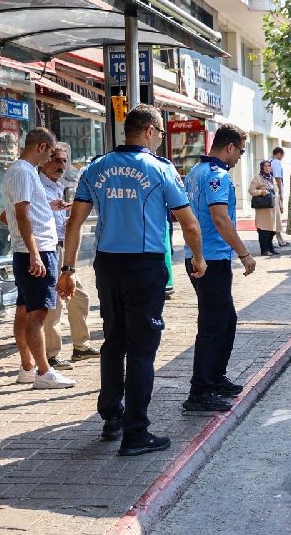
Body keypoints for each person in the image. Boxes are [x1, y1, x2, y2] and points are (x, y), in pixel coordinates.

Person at [58, 104, 206, 456]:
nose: (160, 139)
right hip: (144, 266)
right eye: (160, 134)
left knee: (114, 340)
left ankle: (112, 417)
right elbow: (189, 223)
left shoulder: (96, 168)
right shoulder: (160, 169)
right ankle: (136, 432)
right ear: (151, 131)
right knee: (141, 349)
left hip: (108, 266)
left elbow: (74, 222)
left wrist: (67, 269)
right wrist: (198, 259)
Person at [182, 124, 258, 413]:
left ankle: (215, 377)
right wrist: (244, 253)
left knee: (226, 319)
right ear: (229, 147)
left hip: (200, 256)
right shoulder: (217, 176)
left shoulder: (195, 172)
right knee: (213, 324)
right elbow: (220, 219)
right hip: (211, 259)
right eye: (241, 151)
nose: (240, 157)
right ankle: (200, 390)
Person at [4, 127, 76, 390]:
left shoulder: (21, 171)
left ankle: (28, 367)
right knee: (37, 315)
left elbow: (25, 211)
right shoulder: (24, 172)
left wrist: (48, 207)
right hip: (36, 251)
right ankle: (44, 372)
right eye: (50, 152)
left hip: (30, 250)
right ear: (41, 147)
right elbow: (21, 215)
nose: (50, 159)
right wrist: (35, 254)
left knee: (24, 310)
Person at [39, 145, 98, 370]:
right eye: (56, 160)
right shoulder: (37, 185)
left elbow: (56, 219)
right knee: (55, 303)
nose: (61, 166)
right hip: (48, 249)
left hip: (63, 250)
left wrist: (67, 220)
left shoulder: (57, 186)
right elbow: (20, 214)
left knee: (79, 296)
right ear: (45, 160)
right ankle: (51, 355)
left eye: (64, 161)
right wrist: (50, 209)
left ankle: (80, 346)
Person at [250, 160, 279, 256]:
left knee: (272, 230)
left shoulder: (272, 178)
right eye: (265, 166)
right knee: (264, 230)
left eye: (269, 166)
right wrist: (261, 192)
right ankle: (264, 250)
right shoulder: (257, 178)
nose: (267, 168)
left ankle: (271, 248)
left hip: (273, 208)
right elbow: (251, 190)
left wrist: (280, 205)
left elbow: (276, 191)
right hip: (263, 208)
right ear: (262, 167)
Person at [270, 146, 290, 248]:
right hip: (275, 192)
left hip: (270, 192)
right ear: (279, 154)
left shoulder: (269, 161)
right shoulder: (276, 162)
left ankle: (278, 239)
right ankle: (280, 240)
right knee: (277, 217)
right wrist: (281, 195)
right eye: (282, 156)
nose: (282, 158)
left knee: (273, 218)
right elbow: (278, 178)